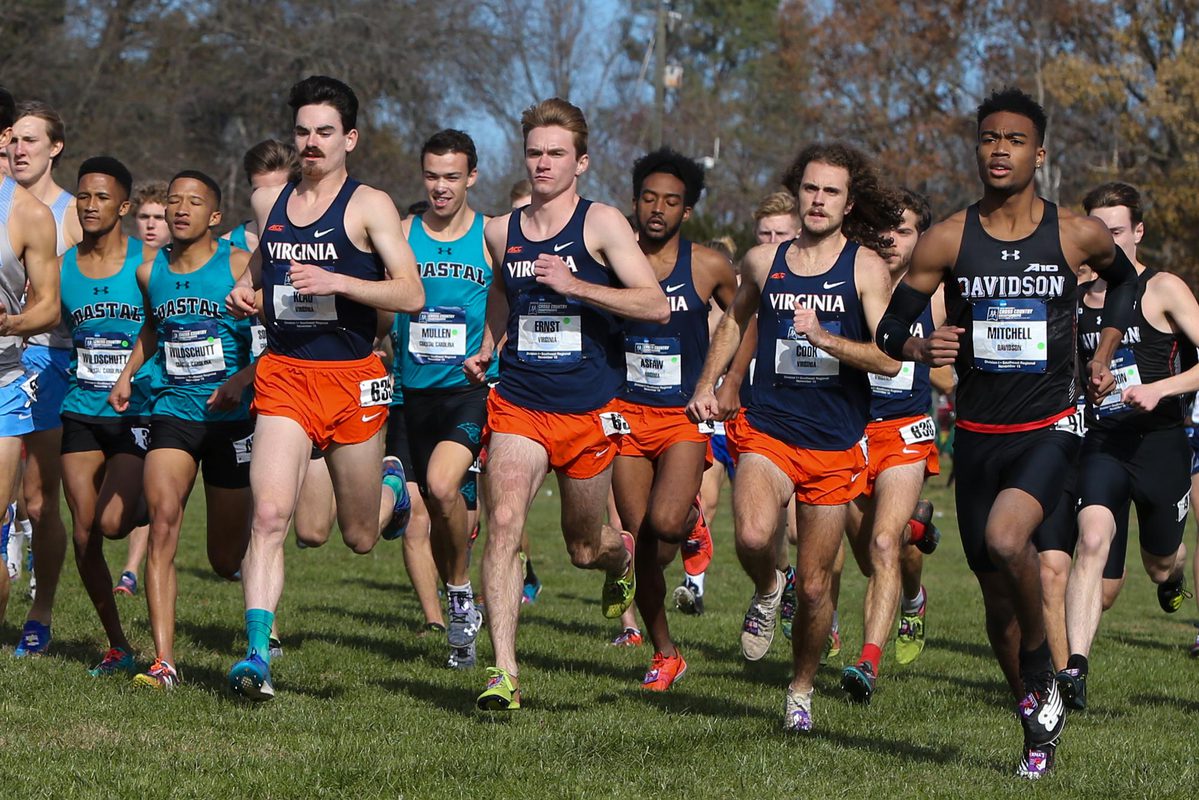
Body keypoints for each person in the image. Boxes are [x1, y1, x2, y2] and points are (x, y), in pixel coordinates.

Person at [874, 88, 1138, 778]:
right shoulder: (947, 239)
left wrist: (1104, 348)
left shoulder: (1074, 234)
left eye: (1014, 140)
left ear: (1039, 153)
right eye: (989, 138)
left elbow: (1125, 286)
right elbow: (887, 331)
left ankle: (1041, 664)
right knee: (995, 600)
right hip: (979, 433)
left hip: (1050, 426)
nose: (999, 149)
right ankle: (1033, 715)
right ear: (977, 149)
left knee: (1005, 537)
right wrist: (919, 349)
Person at [462, 97, 669, 710]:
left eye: (555, 153)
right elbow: (504, 292)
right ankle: (504, 672)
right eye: (534, 152)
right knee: (502, 525)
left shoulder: (602, 223)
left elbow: (654, 304)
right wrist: (489, 343)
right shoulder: (503, 229)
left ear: (580, 161)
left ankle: (619, 554)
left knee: (584, 545)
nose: (542, 163)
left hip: (587, 409)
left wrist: (575, 283)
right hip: (521, 401)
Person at [687, 142, 902, 731]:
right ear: (797, 189)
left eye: (831, 191)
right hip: (770, 429)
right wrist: (709, 381)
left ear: (848, 202)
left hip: (834, 444)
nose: (818, 200)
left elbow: (886, 360)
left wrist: (828, 339)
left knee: (814, 589)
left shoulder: (864, 268)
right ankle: (765, 585)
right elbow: (734, 320)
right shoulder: (764, 261)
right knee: (755, 535)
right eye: (810, 188)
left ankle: (800, 689)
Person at [224, 75, 423, 701]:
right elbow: (262, 272)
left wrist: (340, 282)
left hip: (353, 378)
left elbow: (411, 293)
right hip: (285, 375)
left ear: (350, 139)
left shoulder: (371, 206)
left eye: (325, 133)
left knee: (359, 535)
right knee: (272, 515)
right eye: (303, 132)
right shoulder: (270, 203)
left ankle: (394, 488)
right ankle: (258, 653)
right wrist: (247, 292)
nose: (311, 143)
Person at [109, 171, 256, 689]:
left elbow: (275, 338)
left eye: (194, 203)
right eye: (174, 201)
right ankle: (165, 661)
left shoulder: (239, 266)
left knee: (223, 558)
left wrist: (244, 377)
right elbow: (152, 328)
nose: (180, 209)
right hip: (173, 411)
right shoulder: (153, 272)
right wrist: (128, 374)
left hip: (232, 420)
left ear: (215, 216)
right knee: (164, 522)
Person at [1057, 181, 1199, 710]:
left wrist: (1158, 389)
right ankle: (1074, 669)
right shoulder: (1072, 301)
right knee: (1092, 540)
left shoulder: (1163, 289)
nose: (1107, 242)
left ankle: (1175, 573)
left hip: (1160, 441)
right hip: (1103, 441)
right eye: (1098, 231)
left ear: (1137, 233)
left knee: (1161, 562)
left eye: (1117, 231)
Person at [611, 147, 736, 689]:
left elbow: (746, 313)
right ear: (634, 203)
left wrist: (725, 379)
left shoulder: (707, 264)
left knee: (664, 524)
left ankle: (690, 523)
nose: (657, 209)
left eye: (671, 201)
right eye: (648, 198)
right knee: (640, 545)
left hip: (683, 415)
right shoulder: (610, 258)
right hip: (623, 413)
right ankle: (665, 653)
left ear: (687, 212)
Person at [396, 129, 496, 668]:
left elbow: (512, 301)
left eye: (452, 177)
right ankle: (459, 598)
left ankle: (458, 598)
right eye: (432, 176)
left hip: (467, 391)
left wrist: (491, 343)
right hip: (410, 393)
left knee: (440, 486)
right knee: (430, 510)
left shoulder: (490, 235)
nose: (440, 187)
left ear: (471, 177)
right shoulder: (402, 231)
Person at [840, 188, 946, 694]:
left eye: (903, 230)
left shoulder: (938, 293)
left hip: (905, 431)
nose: (890, 239)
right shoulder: (852, 280)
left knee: (885, 542)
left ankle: (867, 662)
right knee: (872, 556)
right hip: (849, 433)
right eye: (883, 229)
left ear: (921, 238)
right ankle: (914, 593)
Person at [57, 156, 149, 675]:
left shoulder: (146, 261)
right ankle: (117, 643)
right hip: (80, 411)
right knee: (84, 533)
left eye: (101, 197)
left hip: (134, 412)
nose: (91, 206)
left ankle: (154, 507)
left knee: (113, 523)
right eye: (83, 197)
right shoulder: (64, 263)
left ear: (124, 205)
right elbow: (47, 313)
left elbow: (163, 326)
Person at [6, 101, 77, 648]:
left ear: (54, 149)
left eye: (33, 141)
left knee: (38, 499)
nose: (21, 149)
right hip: (11, 357)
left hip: (53, 359)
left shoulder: (72, 213)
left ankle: (43, 607)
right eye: (16, 139)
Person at [113, 180, 170, 598]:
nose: (152, 225)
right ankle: (134, 565)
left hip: (171, 392)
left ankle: (136, 568)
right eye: (145, 217)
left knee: (158, 486)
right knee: (119, 508)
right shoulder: (127, 261)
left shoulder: (183, 264)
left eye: (160, 217)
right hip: (130, 386)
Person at [224, 140, 302, 253]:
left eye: (279, 193)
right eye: (259, 192)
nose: (265, 200)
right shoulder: (225, 248)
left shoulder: (321, 243)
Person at [130, 182, 170, 253]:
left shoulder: (185, 262)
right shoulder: (119, 261)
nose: (150, 225)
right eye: (144, 217)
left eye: (159, 218)